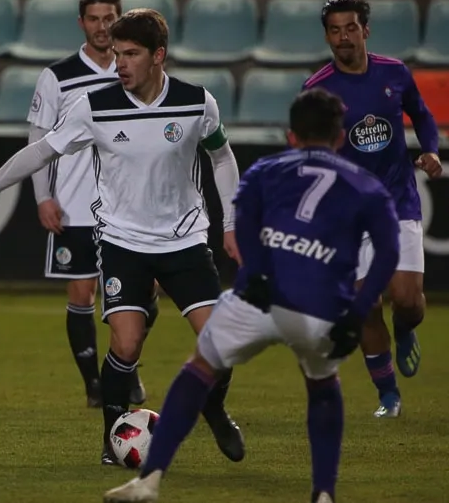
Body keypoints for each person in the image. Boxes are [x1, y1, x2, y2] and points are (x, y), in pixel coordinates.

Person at [0, 8, 245, 466]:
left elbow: (222, 158)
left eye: (131, 54)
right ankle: (113, 435)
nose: (120, 63)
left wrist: (231, 223)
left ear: (158, 56)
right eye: (117, 54)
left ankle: (215, 409)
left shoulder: (196, 102)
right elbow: (39, 153)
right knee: (127, 343)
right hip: (123, 242)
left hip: (183, 240)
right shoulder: (94, 106)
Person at [103, 87, 401, 503]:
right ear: (339, 137)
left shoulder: (267, 169)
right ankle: (323, 494)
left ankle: (149, 481)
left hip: (257, 297)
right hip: (320, 307)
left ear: (291, 136)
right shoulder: (367, 187)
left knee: (198, 369)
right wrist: (357, 312)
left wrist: (256, 272)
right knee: (322, 385)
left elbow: (242, 215)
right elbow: (388, 253)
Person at [301, 0, 442, 418]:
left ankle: (405, 328)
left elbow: (422, 114)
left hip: (397, 201)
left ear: (365, 29)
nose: (343, 37)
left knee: (408, 300)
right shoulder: (317, 90)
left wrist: (431, 150)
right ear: (327, 36)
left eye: (350, 28)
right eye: (334, 30)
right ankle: (388, 395)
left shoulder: (394, 73)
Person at [26, 0, 147, 409]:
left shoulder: (136, 70)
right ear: (81, 23)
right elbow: (38, 141)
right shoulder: (57, 77)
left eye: (109, 18)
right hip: (75, 205)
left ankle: (126, 367)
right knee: (81, 295)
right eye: (93, 19)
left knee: (139, 294)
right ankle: (94, 385)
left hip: (130, 205)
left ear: (120, 19)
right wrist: (43, 196)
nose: (101, 26)